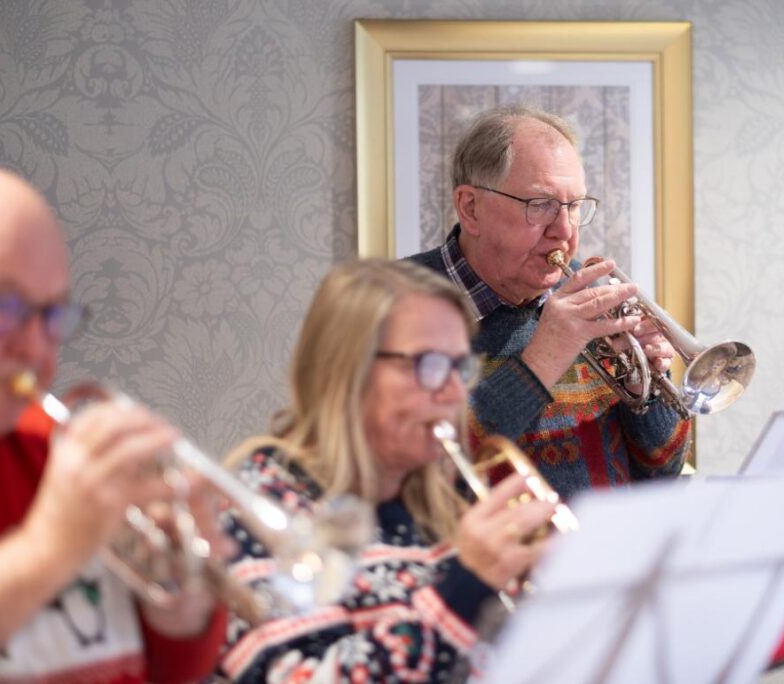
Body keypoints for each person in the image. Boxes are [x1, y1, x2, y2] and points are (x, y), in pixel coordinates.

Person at [217, 259, 555, 683]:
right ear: (346, 372)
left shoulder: (442, 512)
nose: (454, 392)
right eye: (430, 365)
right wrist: (464, 587)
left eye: (460, 367)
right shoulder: (257, 513)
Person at [0, 168, 227, 682]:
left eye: (51, 315)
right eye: (1, 307)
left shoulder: (57, 447)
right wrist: (51, 547)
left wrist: (179, 599)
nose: (34, 349)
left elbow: (169, 671)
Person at [408, 105, 692, 500]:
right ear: (471, 208)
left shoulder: (591, 294)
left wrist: (644, 388)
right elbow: (410, 472)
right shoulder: (389, 307)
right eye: (539, 205)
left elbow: (665, 468)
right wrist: (542, 361)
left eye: (573, 206)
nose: (564, 231)